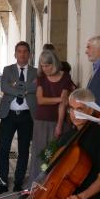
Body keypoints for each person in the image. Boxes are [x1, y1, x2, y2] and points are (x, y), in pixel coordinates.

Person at [0, 41, 36, 195]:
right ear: (15, 54)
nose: (22, 54)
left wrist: (15, 85)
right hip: (9, 115)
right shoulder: (8, 69)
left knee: (24, 150)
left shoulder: (36, 71)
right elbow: (4, 87)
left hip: (27, 116)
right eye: (19, 51)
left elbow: (36, 87)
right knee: (3, 149)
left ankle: (18, 182)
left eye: (25, 51)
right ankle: (2, 182)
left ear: (29, 54)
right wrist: (25, 88)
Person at [28, 49, 75, 179]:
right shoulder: (41, 77)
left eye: (47, 65)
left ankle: (52, 182)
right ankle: (37, 183)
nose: (44, 69)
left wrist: (59, 125)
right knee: (41, 154)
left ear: (54, 63)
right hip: (41, 121)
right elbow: (40, 100)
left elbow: (63, 104)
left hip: (59, 121)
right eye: (42, 66)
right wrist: (59, 99)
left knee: (54, 153)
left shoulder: (65, 77)